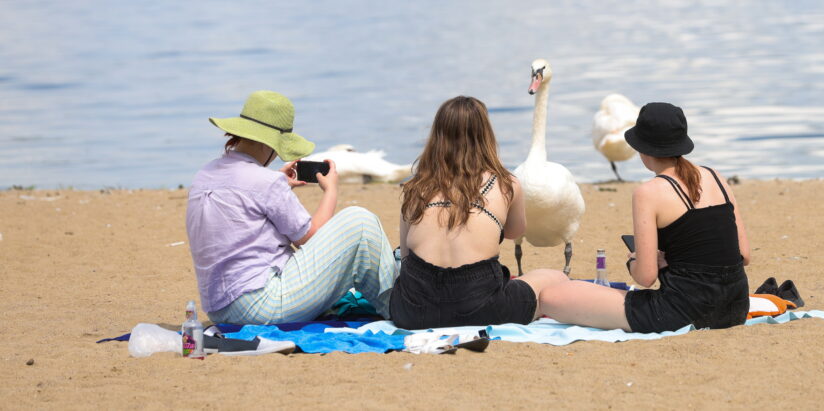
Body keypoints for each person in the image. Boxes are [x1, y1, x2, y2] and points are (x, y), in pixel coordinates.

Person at [186, 90, 396, 324]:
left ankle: (392, 299)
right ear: (270, 144)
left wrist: (276, 185)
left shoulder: (204, 175)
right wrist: (331, 192)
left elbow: (244, 204)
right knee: (360, 221)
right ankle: (396, 307)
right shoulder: (265, 183)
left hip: (220, 310)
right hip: (261, 305)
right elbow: (309, 238)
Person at [539, 102, 750, 332]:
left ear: (643, 149)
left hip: (684, 311)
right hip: (736, 307)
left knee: (552, 297)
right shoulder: (715, 176)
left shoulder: (648, 192)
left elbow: (646, 277)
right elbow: (743, 255)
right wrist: (672, 260)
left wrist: (634, 260)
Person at [388, 96, 568, 329]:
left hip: (414, 313)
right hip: (483, 308)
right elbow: (515, 231)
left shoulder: (416, 187)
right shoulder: (505, 183)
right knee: (555, 278)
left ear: (437, 137)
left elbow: (407, 256)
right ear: (486, 135)